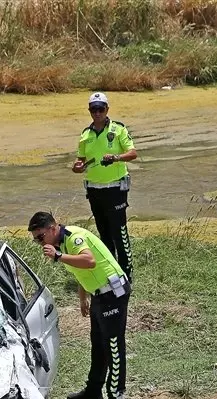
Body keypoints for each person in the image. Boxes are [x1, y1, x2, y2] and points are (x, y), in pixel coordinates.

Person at [28, 211, 130, 399]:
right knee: (98, 343)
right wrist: (83, 297)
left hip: (113, 293)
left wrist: (58, 257)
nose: (39, 243)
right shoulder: (62, 244)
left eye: (40, 237)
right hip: (99, 294)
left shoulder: (74, 238)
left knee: (113, 344)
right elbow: (80, 270)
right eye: (36, 239)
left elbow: (89, 261)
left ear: (53, 228)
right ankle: (94, 389)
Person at [72, 91, 138, 280]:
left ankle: (126, 273)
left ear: (107, 109)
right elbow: (80, 160)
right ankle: (111, 271)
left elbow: (133, 153)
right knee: (104, 232)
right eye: (94, 109)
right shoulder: (86, 134)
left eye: (101, 109)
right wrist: (77, 166)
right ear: (89, 111)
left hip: (115, 189)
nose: (97, 113)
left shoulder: (118, 130)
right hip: (94, 190)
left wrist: (116, 158)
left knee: (119, 232)